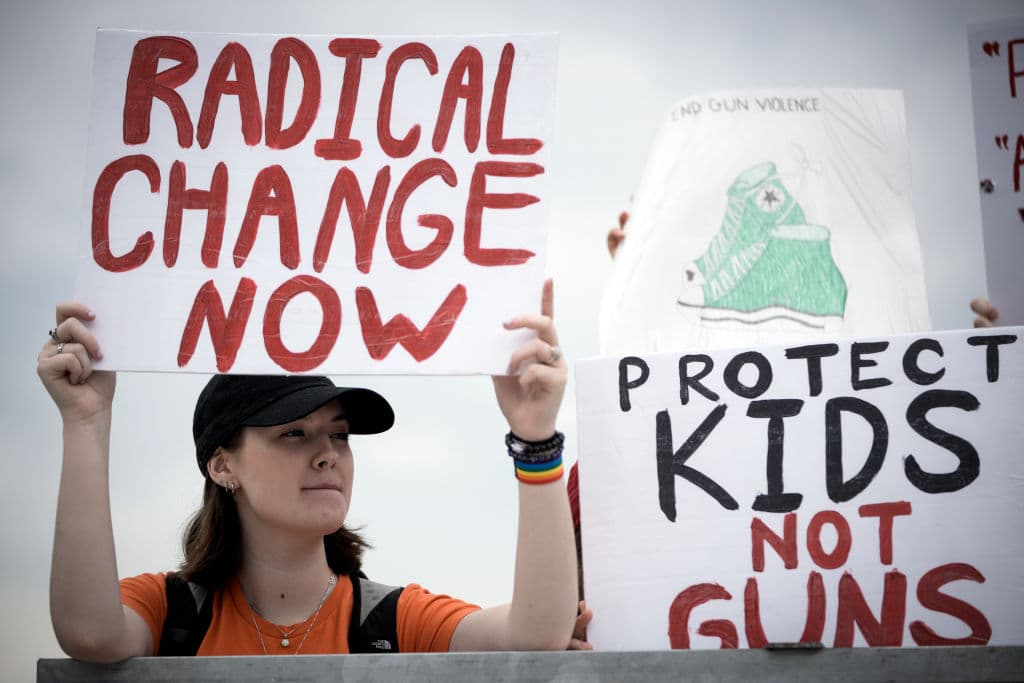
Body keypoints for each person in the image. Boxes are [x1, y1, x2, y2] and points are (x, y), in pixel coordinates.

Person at [37, 280, 577, 661]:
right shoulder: (170, 612)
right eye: (293, 433)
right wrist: (85, 422)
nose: (328, 454)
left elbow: (535, 636)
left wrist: (535, 437)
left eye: (339, 434)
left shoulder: (390, 621)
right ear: (223, 465)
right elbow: (87, 633)